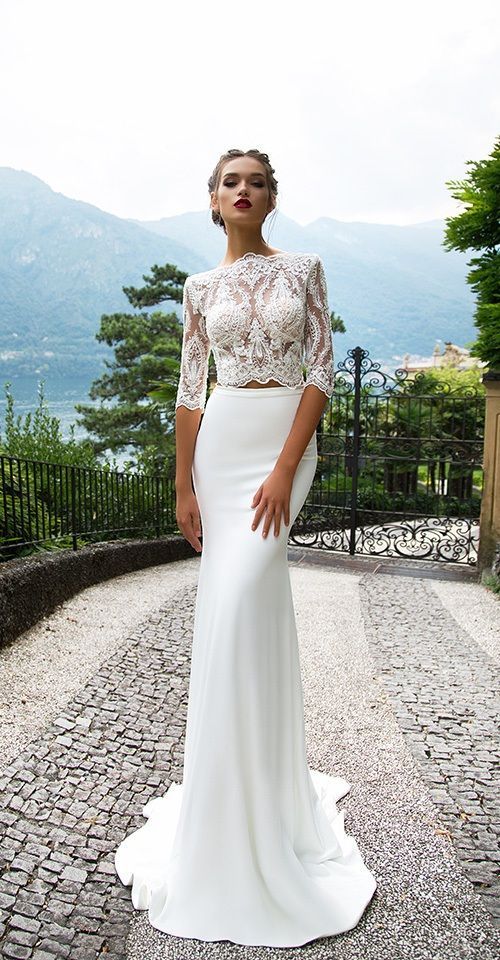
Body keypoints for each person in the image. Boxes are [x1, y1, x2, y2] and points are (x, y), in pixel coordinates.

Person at [114, 148, 377, 947]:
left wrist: (286, 467)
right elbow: (193, 388)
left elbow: (323, 370)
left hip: (281, 449)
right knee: (236, 616)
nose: (243, 191)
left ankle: (258, 812)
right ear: (213, 199)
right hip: (221, 445)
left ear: (271, 198)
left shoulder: (306, 268)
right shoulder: (199, 290)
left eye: (256, 181)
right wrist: (182, 485)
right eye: (231, 181)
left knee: (241, 602)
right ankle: (228, 808)